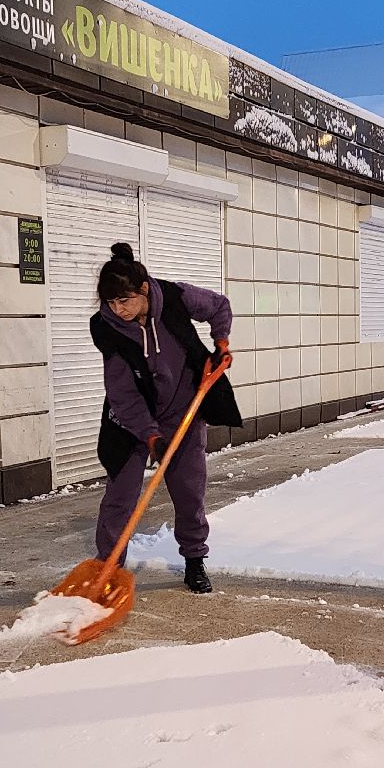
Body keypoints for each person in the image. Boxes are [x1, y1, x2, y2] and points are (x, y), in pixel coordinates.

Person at [90, 242, 242, 593]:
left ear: (143, 289)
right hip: (130, 423)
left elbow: (218, 305)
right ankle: (108, 571)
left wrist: (220, 343)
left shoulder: (174, 297)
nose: (118, 309)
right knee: (120, 497)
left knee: (189, 491)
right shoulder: (108, 328)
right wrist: (150, 435)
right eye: (111, 303)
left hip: (182, 412)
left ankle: (194, 560)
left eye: (124, 300)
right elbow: (123, 395)